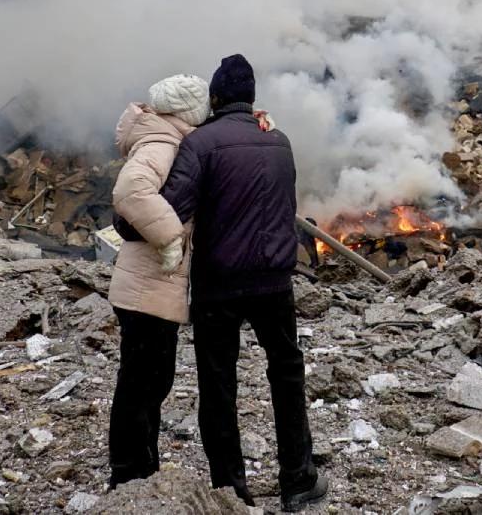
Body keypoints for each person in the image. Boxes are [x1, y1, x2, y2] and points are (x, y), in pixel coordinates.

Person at [161, 54, 327, 511]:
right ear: (251, 98)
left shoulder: (200, 143)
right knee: (287, 373)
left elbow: (173, 210)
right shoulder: (279, 140)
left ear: (215, 98)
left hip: (219, 283)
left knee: (218, 385)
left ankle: (232, 491)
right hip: (275, 279)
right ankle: (298, 479)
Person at [107, 74, 210, 488]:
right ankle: (129, 475)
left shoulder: (164, 138)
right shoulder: (161, 144)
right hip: (146, 287)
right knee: (142, 383)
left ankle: (140, 469)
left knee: (150, 380)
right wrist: (169, 237)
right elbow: (131, 190)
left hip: (148, 288)